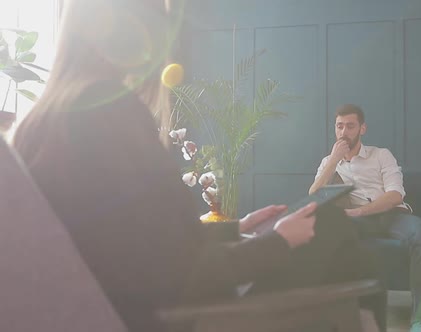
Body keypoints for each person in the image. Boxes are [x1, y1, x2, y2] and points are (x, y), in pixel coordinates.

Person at [11, 1, 379, 331]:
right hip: (177, 315)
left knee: (329, 233)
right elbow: (179, 273)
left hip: (135, 299)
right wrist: (278, 242)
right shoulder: (111, 113)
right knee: (328, 222)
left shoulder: (39, 122)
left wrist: (235, 230)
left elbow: (127, 240)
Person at [310, 104, 421, 332]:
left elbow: (395, 194)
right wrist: (333, 160)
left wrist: (358, 212)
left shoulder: (381, 155)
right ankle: (336, 314)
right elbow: (314, 196)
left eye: (350, 126)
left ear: (362, 128)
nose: (344, 132)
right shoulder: (329, 162)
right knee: (328, 236)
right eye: (339, 126)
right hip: (358, 223)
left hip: (392, 215)